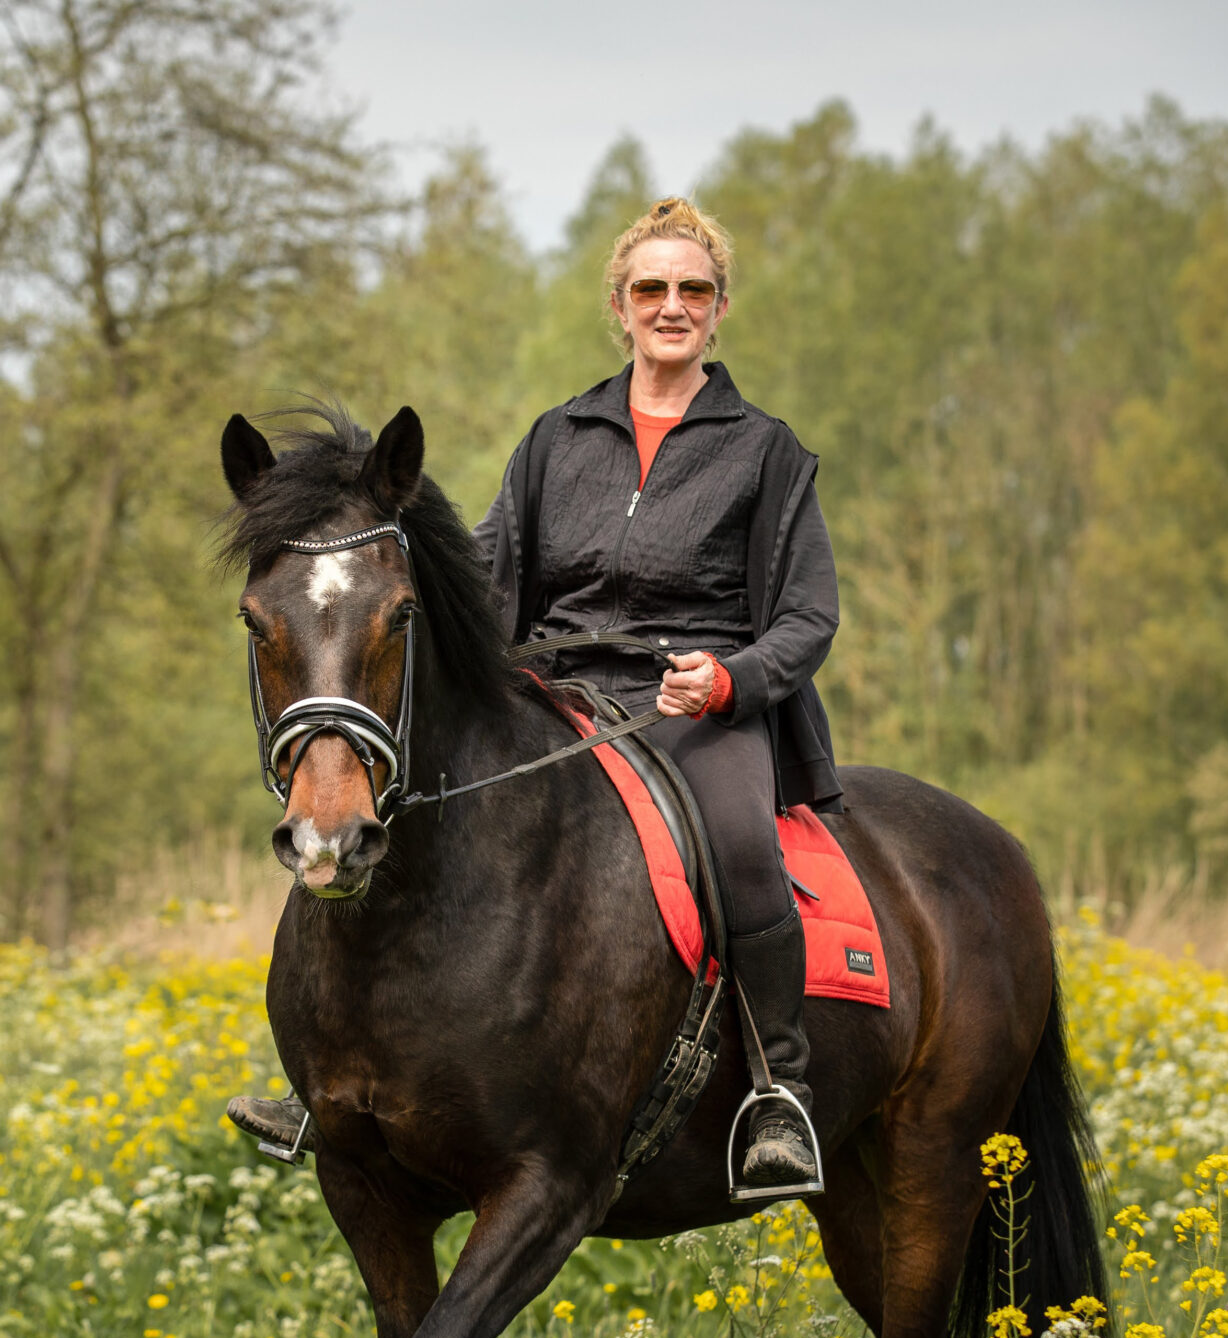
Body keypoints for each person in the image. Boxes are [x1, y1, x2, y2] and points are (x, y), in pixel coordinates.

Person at [231, 195, 842, 1191]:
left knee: (740, 844)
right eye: (651, 287)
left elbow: (808, 617)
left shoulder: (765, 450)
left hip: (692, 706)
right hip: (556, 690)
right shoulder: (558, 436)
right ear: (620, 302)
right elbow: (484, 578)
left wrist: (731, 676)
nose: (671, 305)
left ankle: (778, 1090)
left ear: (719, 307)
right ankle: (325, 1077)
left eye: (692, 288)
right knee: (392, 802)